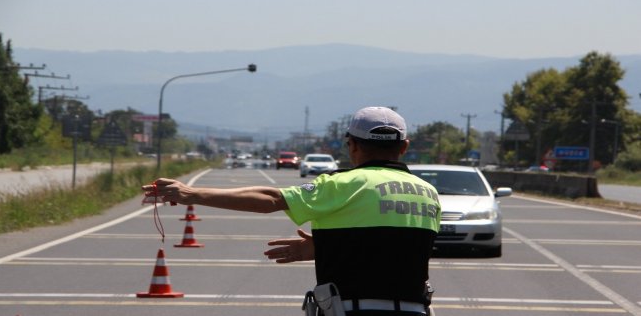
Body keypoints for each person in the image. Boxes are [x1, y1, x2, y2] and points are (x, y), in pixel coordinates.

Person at [142, 106, 441, 315]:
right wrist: (326, 247)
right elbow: (399, 246)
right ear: (404, 147)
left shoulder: (343, 183)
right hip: (415, 308)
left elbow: (270, 198)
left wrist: (190, 193)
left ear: (351, 146)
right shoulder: (428, 193)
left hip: (351, 309)